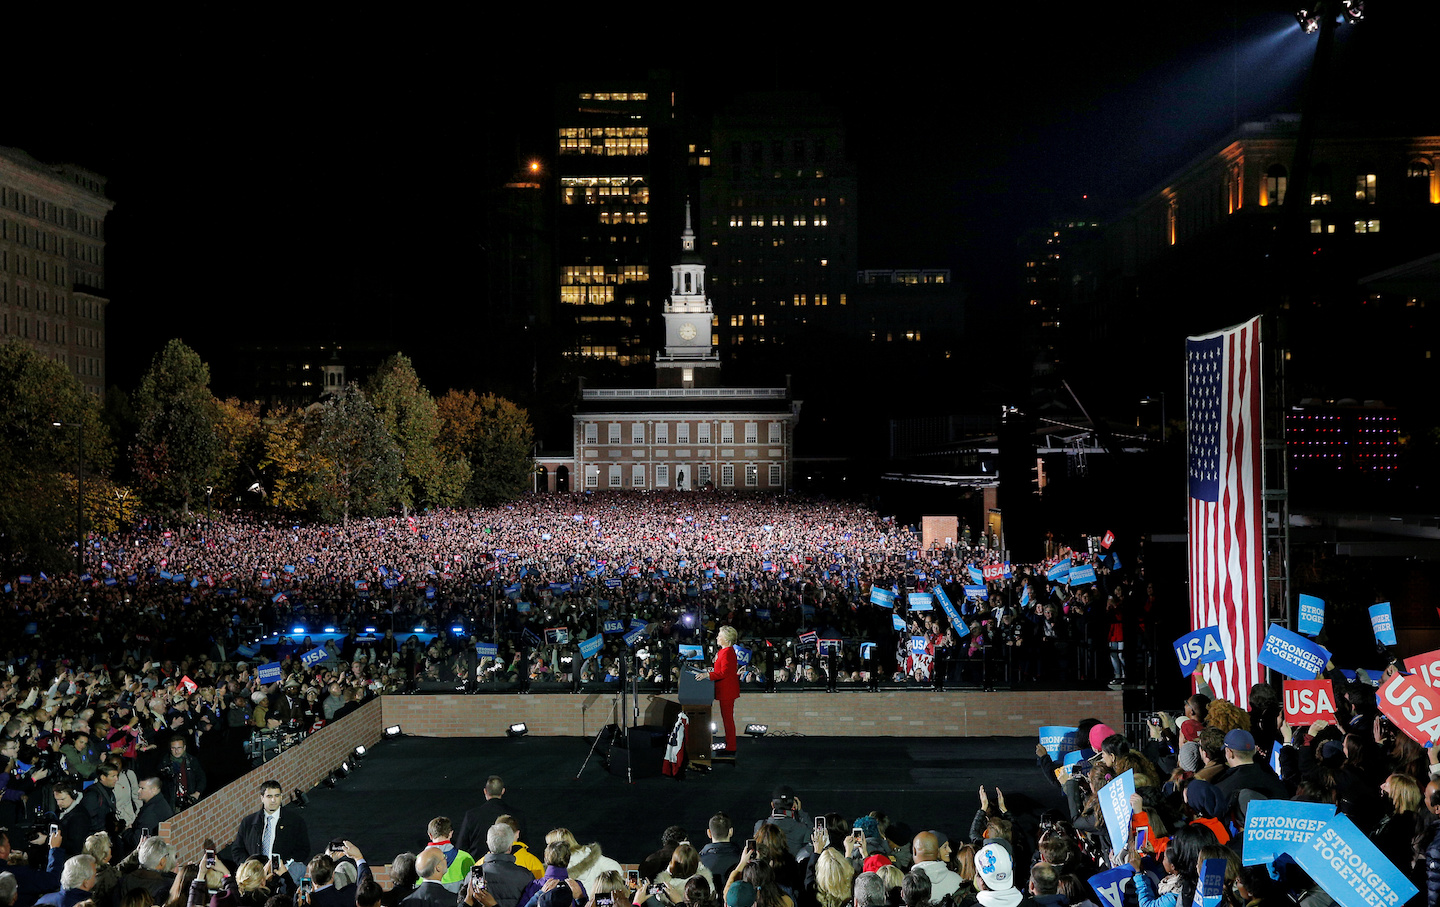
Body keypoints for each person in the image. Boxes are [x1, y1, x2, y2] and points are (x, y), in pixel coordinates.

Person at [225, 780, 311, 874]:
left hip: (284, 873)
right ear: (262, 798)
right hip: (255, 875)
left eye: (277, 796)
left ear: (281, 797)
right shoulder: (248, 822)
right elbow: (237, 850)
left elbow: (304, 849)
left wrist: (287, 864)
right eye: (269, 796)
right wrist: (250, 867)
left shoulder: (295, 822)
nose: (273, 800)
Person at [694, 626, 741, 756]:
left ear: (726, 639)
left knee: (728, 719)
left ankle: (731, 747)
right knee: (727, 718)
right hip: (724, 689)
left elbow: (724, 672)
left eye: (719, 636)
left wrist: (707, 675)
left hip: (727, 690)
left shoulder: (727, 652)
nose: (717, 638)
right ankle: (730, 745)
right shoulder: (723, 652)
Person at [458, 777, 526, 859]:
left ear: (485, 791)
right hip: (512, 865)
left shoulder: (471, 815)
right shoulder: (517, 815)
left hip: (479, 866)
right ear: (503, 791)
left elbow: (461, 847)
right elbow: (524, 844)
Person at [126, 779, 174, 849]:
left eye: (142, 788)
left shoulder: (150, 812)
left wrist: (127, 831)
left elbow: (137, 841)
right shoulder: (161, 802)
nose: (138, 791)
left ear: (154, 790)